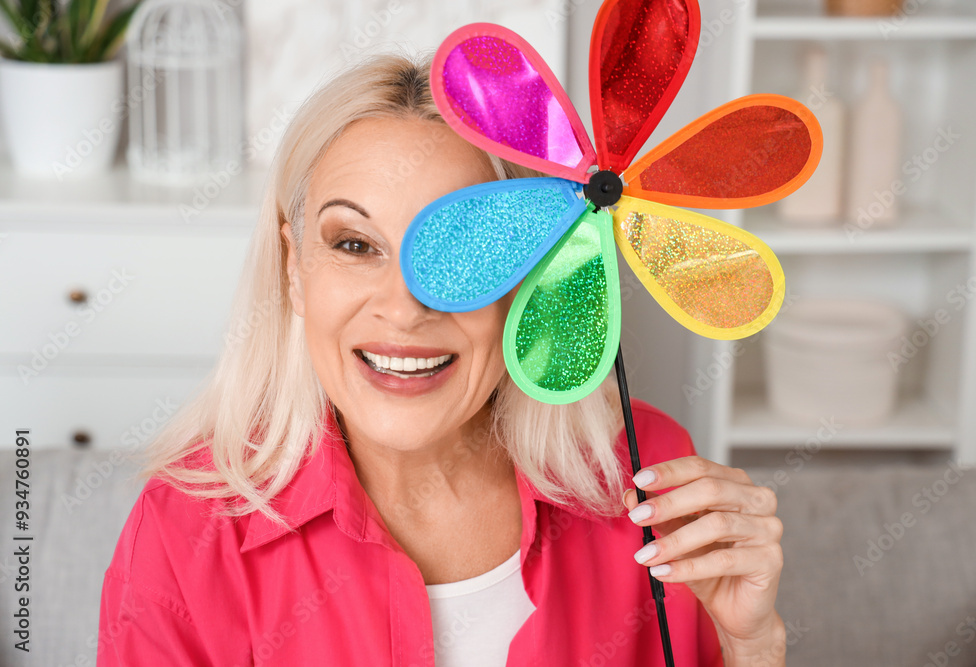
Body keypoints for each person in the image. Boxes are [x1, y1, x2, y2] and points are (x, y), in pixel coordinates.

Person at [97, 53, 786, 666]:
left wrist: (752, 646)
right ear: (293, 266)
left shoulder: (649, 481)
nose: (404, 309)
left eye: (467, 252)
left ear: (528, 276)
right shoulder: (185, 531)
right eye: (354, 245)